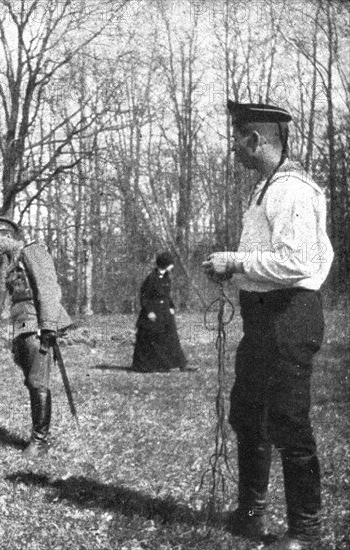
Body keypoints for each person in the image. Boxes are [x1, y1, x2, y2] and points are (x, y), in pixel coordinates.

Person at [202, 100, 333, 549]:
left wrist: (234, 260)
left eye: (238, 139)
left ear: (255, 139)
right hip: (262, 319)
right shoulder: (266, 187)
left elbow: (297, 263)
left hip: (290, 316)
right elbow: (269, 260)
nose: (234, 149)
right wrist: (233, 270)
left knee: (288, 422)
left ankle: (305, 532)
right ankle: (251, 514)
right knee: (248, 415)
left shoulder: (293, 189)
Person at [0, 216, 72, 457]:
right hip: (22, 326)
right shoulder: (12, 262)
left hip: (37, 326)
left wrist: (49, 326)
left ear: (9, 236)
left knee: (38, 382)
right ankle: (38, 436)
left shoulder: (33, 251)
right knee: (31, 383)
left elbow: (48, 289)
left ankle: (40, 441)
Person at [131, 251, 193, 372]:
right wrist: (149, 312)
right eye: (171, 264)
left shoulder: (166, 278)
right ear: (165, 264)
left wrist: (171, 306)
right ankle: (153, 365)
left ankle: (181, 364)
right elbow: (144, 296)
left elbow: (166, 295)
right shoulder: (151, 278)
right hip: (153, 313)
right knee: (152, 339)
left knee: (172, 338)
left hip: (165, 312)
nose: (172, 266)